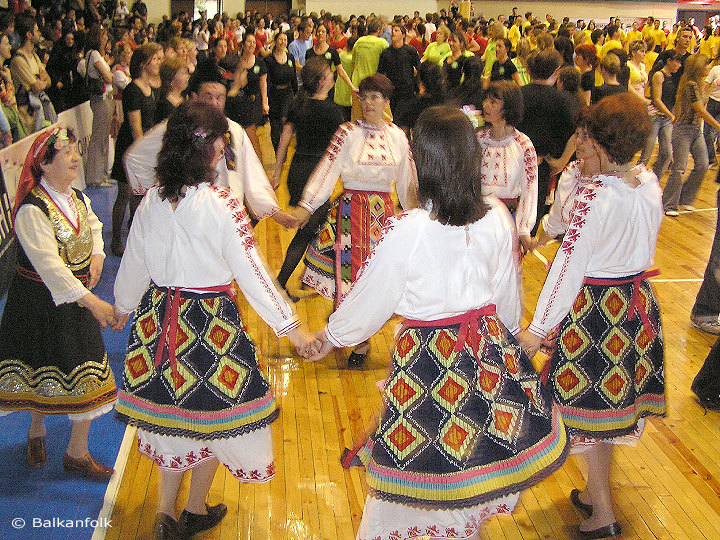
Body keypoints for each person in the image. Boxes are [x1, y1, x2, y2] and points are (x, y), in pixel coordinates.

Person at [311, 105, 569, 540]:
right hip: (486, 353)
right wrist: (505, 347)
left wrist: (332, 335)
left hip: (429, 359)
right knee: (472, 461)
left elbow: (371, 298)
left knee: (421, 471)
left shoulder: (407, 229)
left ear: (424, 161)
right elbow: (506, 297)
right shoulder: (496, 217)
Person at [113, 101, 318, 540]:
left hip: (159, 321)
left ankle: (167, 512)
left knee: (174, 418)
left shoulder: (151, 199)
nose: (227, 145)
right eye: (223, 139)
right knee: (211, 418)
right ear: (209, 149)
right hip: (208, 325)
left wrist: (123, 305)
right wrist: (294, 330)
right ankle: (192, 509)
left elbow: (134, 265)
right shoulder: (222, 204)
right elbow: (255, 275)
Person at [518, 94, 665, 540]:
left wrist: (537, 329)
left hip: (596, 312)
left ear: (600, 142)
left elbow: (567, 268)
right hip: (635, 305)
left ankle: (603, 512)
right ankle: (594, 494)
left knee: (589, 417)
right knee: (607, 412)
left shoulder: (594, 196)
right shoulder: (650, 183)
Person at [0, 127, 117, 478]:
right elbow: (50, 268)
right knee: (41, 368)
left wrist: (97, 254)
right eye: (66, 154)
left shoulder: (77, 197)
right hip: (38, 305)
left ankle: (76, 453)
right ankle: (37, 431)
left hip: (74, 300)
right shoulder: (31, 211)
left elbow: (94, 225)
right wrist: (94, 302)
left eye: (73, 152)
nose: (76, 157)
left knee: (89, 375)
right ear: (45, 164)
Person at [296, 73, 418, 367]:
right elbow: (328, 169)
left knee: (381, 276)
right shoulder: (347, 132)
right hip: (351, 212)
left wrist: (417, 215)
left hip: (384, 216)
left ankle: (360, 333)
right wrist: (306, 205)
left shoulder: (398, 137)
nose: (368, 103)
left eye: (375, 97)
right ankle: (356, 340)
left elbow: (407, 180)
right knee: (350, 277)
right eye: (364, 97)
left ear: (386, 102)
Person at [123, 60, 296, 229]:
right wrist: (159, 199)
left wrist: (276, 213)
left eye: (220, 97)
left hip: (227, 218)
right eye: (208, 97)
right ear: (194, 97)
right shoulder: (177, 127)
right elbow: (135, 158)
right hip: (188, 219)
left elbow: (252, 173)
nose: (214, 103)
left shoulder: (234, 131)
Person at [273, 58, 344, 299]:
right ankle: (281, 281)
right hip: (317, 177)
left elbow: (284, 139)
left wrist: (276, 172)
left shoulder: (298, 104)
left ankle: (307, 275)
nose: (333, 76)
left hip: (298, 170)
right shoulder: (333, 112)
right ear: (323, 81)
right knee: (309, 231)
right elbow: (341, 149)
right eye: (330, 74)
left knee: (318, 227)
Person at [110, 42, 162, 256]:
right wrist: (144, 155)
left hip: (144, 146)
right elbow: (135, 127)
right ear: (143, 63)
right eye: (156, 59)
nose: (159, 62)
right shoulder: (132, 89)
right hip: (131, 147)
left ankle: (134, 233)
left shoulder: (150, 87)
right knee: (125, 193)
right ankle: (115, 240)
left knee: (138, 195)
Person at [478, 81, 538, 251]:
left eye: (493, 102)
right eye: (486, 100)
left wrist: (524, 228)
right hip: (478, 218)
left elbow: (530, 189)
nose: (485, 105)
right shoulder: (479, 140)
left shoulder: (523, 145)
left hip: (506, 220)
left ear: (508, 107)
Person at [663, 54, 720, 216]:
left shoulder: (698, 84)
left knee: (702, 164)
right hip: (684, 129)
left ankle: (685, 198)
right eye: (706, 65)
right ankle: (669, 204)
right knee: (679, 168)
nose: (708, 68)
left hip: (695, 129)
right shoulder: (690, 85)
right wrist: (717, 126)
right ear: (699, 67)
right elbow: (700, 109)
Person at [638, 49, 681, 179]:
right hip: (655, 117)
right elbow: (656, 99)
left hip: (665, 119)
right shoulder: (659, 75)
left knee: (667, 153)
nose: (679, 65)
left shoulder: (672, 77)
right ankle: (635, 181)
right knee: (646, 154)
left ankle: (654, 180)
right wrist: (671, 115)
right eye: (677, 62)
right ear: (669, 61)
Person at [225, 32, 268, 163]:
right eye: (249, 42)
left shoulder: (260, 62)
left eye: (254, 42)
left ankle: (258, 167)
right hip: (237, 103)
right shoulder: (235, 61)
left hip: (253, 103)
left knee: (252, 135)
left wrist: (265, 103)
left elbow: (263, 83)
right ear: (243, 44)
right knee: (236, 138)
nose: (251, 44)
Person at [82, 25, 114, 188]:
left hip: (106, 98)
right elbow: (108, 77)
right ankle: (94, 176)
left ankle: (101, 174)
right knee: (98, 137)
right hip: (100, 99)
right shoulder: (93, 54)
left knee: (103, 137)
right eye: (103, 36)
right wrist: (110, 73)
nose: (106, 39)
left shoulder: (99, 55)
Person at [377, 22, 419, 131]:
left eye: (396, 31)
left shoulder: (410, 51)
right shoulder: (386, 53)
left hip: (408, 92)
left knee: (405, 121)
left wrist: (417, 87)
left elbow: (419, 69)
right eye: (392, 31)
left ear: (404, 35)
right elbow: (380, 73)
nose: (393, 33)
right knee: (395, 121)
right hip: (393, 92)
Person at [264, 31, 297, 151]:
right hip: (274, 94)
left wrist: (297, 95)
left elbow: (293, 78)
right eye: (280, 39)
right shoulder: (269, 60)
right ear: (275, 41)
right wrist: (266, 99)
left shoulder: (290, 58)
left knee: (285, 120)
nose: (283, 42)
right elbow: (266, 81)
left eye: (285, 40)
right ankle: (277, 150)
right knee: (275, 126)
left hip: (287, 93)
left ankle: (284, 149)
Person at [154, 56, 189, 123]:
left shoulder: (184, 96)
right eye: (184, 73)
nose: (188, 76)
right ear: (172, 76)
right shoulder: (162, 102)